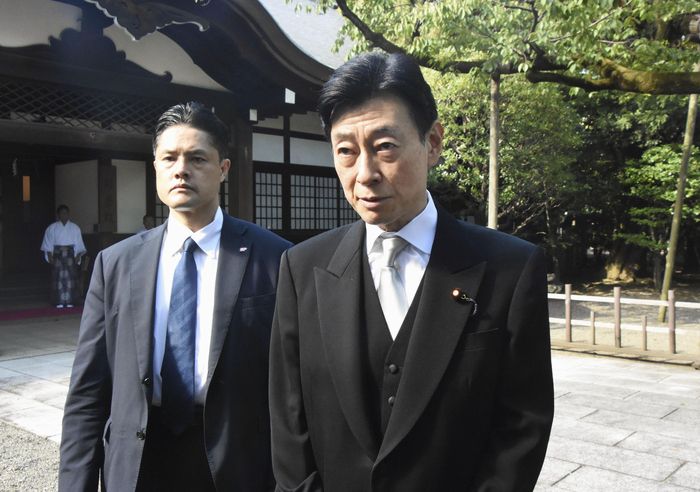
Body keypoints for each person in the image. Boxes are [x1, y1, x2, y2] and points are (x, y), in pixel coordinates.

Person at [269, 52, 554, 491]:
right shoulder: (302, 267)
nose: (365, 174)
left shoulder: (510, 270)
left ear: (432, 142)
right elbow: (288, 418)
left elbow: (522, 424)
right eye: (346, 151)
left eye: (384, 146)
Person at [59, 102, 291, 492]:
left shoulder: (275, 258)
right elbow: (87, 391)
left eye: (197, 158)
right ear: (156, 168)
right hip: (139, 460)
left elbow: (294, 388)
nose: (181, 169)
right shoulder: (115, 264)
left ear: (223, 169)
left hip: (236, 460)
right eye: (169, 158)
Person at [40, 204, 86, 308]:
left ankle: (71, 301)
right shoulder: (52, 228)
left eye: (66, 213)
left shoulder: (75, 228)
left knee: (70, 278)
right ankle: (58, 301)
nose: (64, 215)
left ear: (68, 214)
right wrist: (50, 256)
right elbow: (48, 243)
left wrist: (78, 255)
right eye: (62, 213)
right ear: (58, 215)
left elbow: (79, 244)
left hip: (70, 255)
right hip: (57, 255)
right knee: (58, 278)